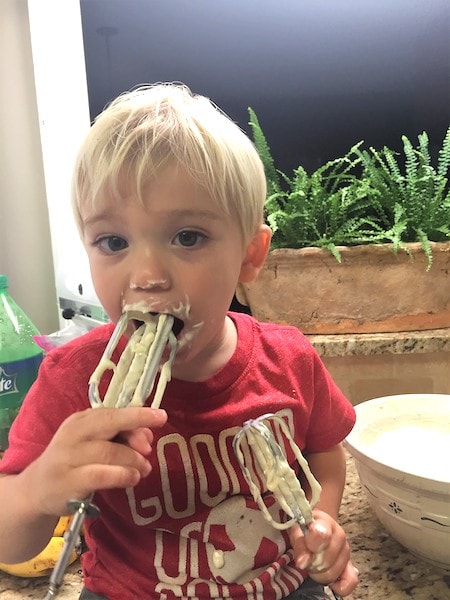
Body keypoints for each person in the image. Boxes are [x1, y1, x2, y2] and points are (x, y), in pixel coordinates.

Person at [0, 83, 358, 600]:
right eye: (113, 242)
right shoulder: (75, 379)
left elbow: (325, 450)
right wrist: (40, 489)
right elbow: (11, 539)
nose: (146, 275)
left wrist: (323, 520)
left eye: (187, 236)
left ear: (250, 256)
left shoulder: (289, 359)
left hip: (279, 583)